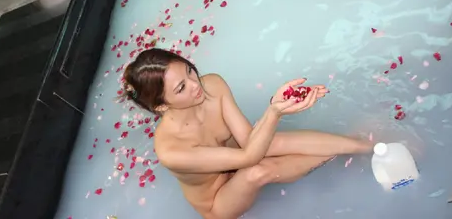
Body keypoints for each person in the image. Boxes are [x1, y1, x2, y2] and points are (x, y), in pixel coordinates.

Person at [123, 48, 374, 219]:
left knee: (273, 142)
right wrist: (274, 111)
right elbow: (249, 159)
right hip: (219, 200)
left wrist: (277, 106)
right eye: (181, 88)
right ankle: (337, 155)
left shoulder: (212, 85)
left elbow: (247, 141)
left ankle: (363, 145)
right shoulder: (171, 151)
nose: (195, 84)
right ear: (162, 106)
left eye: (189, 70)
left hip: (240, 155)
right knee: (257, 171)